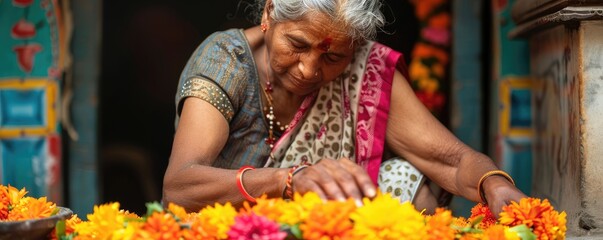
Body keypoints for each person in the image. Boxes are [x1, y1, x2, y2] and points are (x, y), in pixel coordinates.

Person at [162, 0, 526, 216]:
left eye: (332, 56)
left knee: (403, 181)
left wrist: (493, 184)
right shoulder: (226, 61)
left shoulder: (363, 67)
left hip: (324, 231)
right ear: (270, 13)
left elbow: (451, 160)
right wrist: (287, 180)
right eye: (297, 44)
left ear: (353, 50)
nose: (308, 69)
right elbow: (179, 186)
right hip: (227, 230)